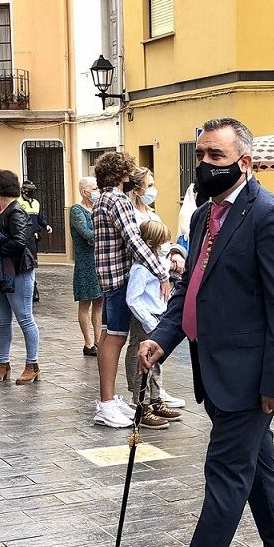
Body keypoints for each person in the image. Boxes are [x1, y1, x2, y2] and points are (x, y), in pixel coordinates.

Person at [128, 117, 274, 547]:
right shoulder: (203, 214)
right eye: (201, 155)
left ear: (244, 163)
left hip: (250, 377)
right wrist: (162, 339)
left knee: (226, 475)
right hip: (216, 368)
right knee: (258, 465)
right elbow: (192, 289)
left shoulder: (271, 215)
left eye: (216, 157)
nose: (205, 165)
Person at [91, 151, 172, 429]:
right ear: (121, 174)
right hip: (120, 279)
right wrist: (161, 272)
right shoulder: (118, 200)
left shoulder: (100, 199)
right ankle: (106, 403)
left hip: (107, 278)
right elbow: (135, 241)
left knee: (106, 338)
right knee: (115, 339)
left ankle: (109, 400)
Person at [0, 170, 40, 386]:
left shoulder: (15, 212)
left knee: (25, 317)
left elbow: (19, 241)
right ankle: (3, 363)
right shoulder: (3, 211)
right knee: (2, 320)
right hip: (3, 272)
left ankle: (32, 364)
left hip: (18, 270)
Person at [125, 219, 181, 429]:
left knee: (156, 360)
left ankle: (155, 398)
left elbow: (173, 263)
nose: (167, 245)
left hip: (158, 317)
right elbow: (133, 298)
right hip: (145, 320)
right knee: (142, 362)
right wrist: (149, 322)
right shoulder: (141, 268)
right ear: (150, 243)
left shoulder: (159, 263)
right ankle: (141, 403)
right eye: (163, 242)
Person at [71, 176, 103, 357]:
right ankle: (88, 342)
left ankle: (99, 340)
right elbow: (86, 233)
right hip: (85, 263)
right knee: (85, 303)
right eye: (95, 189)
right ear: (85, 192)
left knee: (99, 302)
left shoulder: (96, 209)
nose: (97, 192)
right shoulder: (77, 210)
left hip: (98, 260)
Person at [18, 180, 51, 303]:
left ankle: (33, 289)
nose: (31, 192)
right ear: (23, 190)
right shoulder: (18, 203)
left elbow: (40, 217)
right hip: (22, 238)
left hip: (33, 238)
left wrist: (46, 225)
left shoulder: (36, 203)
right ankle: (30, 289)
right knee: (25, 263)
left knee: (32, 263)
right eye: (29, 190)